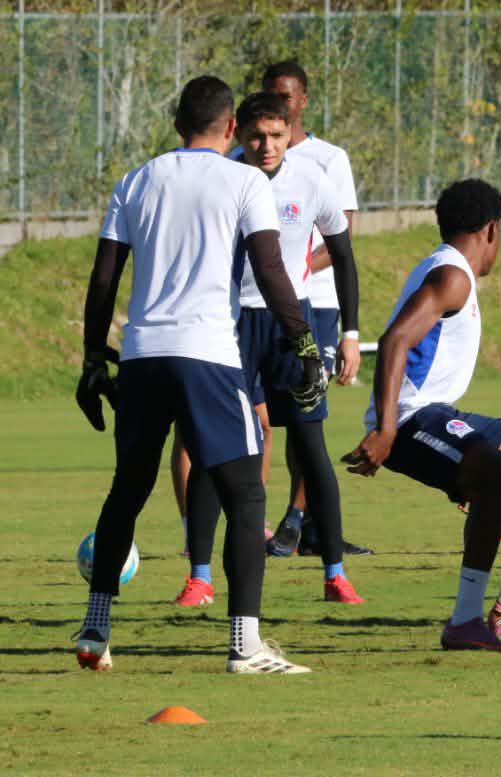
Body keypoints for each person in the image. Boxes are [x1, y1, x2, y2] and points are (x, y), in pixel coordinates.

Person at [72, 76, 323, 673]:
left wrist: (90, 358)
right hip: (207, 354)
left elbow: (104, 278)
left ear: (175, 122)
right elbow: (270, 271)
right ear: (232, 127)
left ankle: (95, 627)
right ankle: (245, 644)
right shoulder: (244, 180)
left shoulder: (136, 179)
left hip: (140, 355)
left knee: (127, 490)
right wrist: (306, 345)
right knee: (246, 491)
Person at [341, 179, 501, 650]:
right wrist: (386, 430)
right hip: (411, 421)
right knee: (500, 475)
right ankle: (466, 620)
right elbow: (394, 342)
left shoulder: (447, 270)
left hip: (437, 415)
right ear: (492, 230)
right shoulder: (452, 276)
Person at [173, 92, 364, 608]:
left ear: (289, 134)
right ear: (238, 134)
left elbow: (344, 257)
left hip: (291, 328)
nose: (266, 146)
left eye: (276, 136)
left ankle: (335, 573)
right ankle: (199, 576)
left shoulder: (312, 181)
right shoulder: (227, 179)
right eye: (256, 136)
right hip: (230, 329)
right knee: (218, 449)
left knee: (310, 448)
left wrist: (350, 334)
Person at [262, 60, 372, 557]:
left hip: (316, 303)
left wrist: (291, 266)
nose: (281, 103)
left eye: (288, 96)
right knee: (271, 417)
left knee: (309, 416)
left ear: (303, 100)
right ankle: (292, 521)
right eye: (272, 95)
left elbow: (341, 235)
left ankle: (299, 520)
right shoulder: (251, 158)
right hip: (259, 308)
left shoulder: (329, 159)